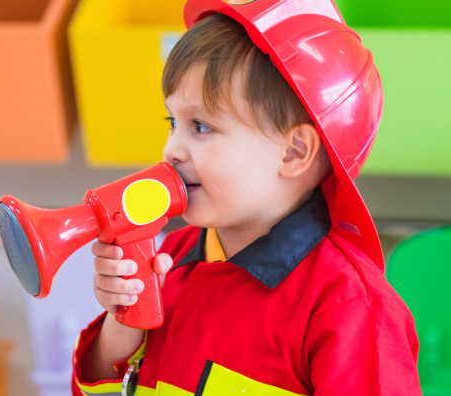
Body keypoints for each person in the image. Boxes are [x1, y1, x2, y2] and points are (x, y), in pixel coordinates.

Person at [73, 1, 422, 395]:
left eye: (201, 126)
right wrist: (121, 325)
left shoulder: (351, 307)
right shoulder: (172, 256)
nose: (171, 149)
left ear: (293, 152)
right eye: (173, 122)